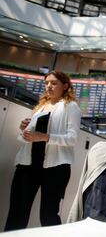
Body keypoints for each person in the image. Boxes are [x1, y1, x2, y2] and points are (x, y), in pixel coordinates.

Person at [4, 71, 81, 231]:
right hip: (28, 165)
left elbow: (72, 138)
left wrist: (44, 137)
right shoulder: (39, 107)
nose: (49, 86)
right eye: (46, 83)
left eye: (54, 83)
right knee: (17, 213)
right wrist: (25, 130)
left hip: (56, 168)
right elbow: (32, 136)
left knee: (48, 216)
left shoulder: (71, 106)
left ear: (65, 86)